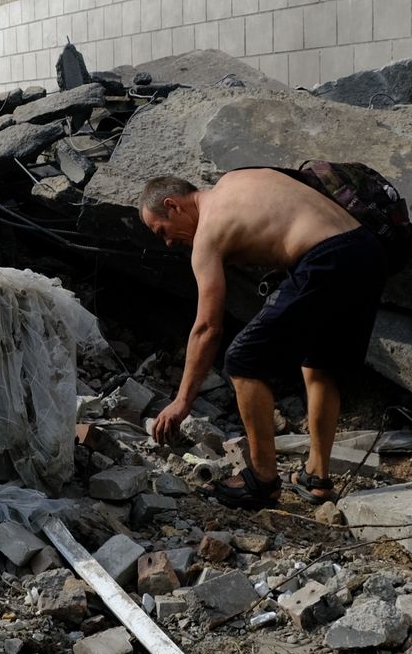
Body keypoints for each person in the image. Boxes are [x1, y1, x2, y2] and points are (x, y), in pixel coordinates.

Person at [139, 169, 389, 509]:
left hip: (325, 257)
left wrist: (182, 401)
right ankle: (317, 477)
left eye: (162, 231)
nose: (168, 242)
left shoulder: (207, 234)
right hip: (367, 250)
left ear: (174, 205)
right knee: (319, 363)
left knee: (242, 360)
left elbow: (207, 327)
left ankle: (261, 479)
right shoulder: (237, 180)